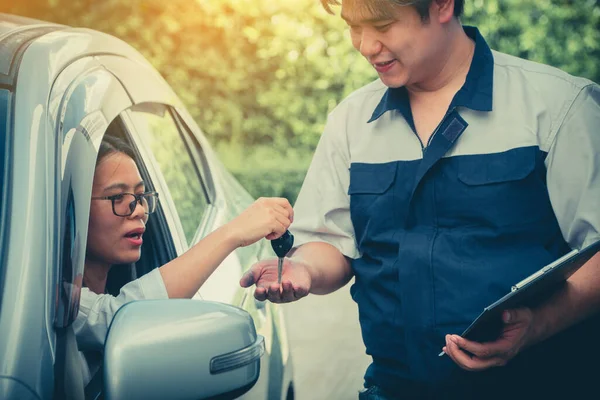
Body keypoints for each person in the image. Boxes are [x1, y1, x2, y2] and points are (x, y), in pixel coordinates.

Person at [240, 0, 600, 398]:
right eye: (353, 27)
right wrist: (303, 270)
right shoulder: (350, 121)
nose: (365, 45)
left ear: (443, 5)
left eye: (382, 25)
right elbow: (333, 243)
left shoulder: (560, 105)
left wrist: (538, 323)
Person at [75, 134, 293, 383]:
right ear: (74, 207)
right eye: (117, 198)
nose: (140, 210)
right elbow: (117, 321)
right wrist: (233, 233)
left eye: (140, 196)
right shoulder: (51, 303)